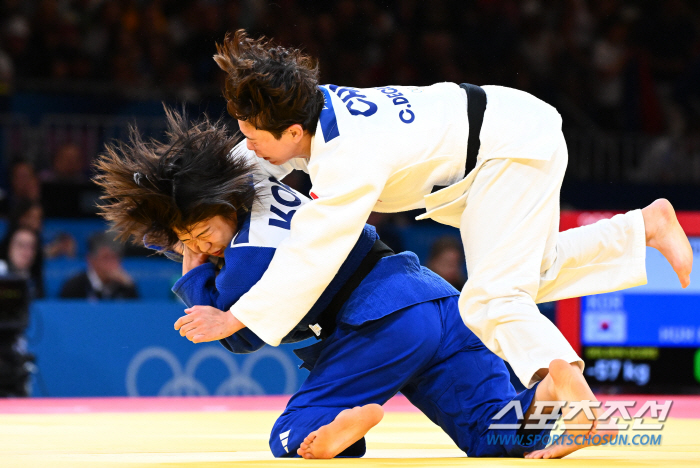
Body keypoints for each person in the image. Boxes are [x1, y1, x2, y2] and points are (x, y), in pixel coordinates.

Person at [207, 31, 693, 422]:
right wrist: (188, 186)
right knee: (532, 273)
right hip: (506, 135)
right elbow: (251, 162)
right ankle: (642, 228)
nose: (247, 147)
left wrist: (240, 317)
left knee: (490, 298)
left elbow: (315, 251)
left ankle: (572, 397)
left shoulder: (348, 157)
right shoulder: (312, 108)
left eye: (252, 136)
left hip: (508, 148)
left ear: (291, 131)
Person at [93, 109, 624, 459]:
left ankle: (333, 428)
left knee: (289, 437)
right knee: (499, 437)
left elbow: (237, 334)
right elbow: (219, 180)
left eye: (200, 235)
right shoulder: (254, 182)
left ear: (217, 206)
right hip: (438, 300)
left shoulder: (247, 257)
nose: (200, 247)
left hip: (383, 322)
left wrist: (192, 268)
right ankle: (552, 386)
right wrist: (186, 234)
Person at [59, 232, 138, 300]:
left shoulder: (125, 286)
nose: (112, 263)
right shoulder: (74, 287)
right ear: (91, 260)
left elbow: (135, 314)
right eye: (106, 258)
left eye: (115, 257)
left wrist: (130, 286)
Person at [0, 226, 44, 299]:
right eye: (21, 245)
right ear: (9, 248)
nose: (26, 251)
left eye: (31, 247)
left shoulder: (35, 280)